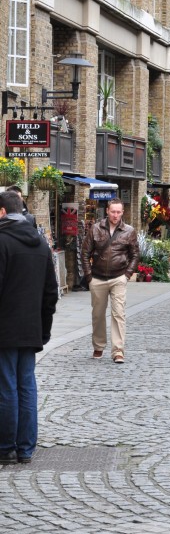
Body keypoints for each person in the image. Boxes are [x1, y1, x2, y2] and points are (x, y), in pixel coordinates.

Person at [0, 188, 58, 465]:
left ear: (2, 212)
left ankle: (6, 446)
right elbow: (51, 293)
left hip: (5, 329)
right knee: (27, 386)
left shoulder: (2, 242)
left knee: (6, 386)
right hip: (31, 328)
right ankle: (25, 449)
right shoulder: (41, 244)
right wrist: (44, 329)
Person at [80, 197, 139, 364]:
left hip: (118, 277)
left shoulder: (129, 231)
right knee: (98, 314)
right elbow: (85, 253)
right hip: (97, 277)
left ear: (122, 212)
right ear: (107, 211)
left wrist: (127, 274)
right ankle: (98, 346)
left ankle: (118, 350)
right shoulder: (96, 229)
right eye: (113, 211)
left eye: (118, 212)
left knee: (118, 313)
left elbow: (135, 255)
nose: (115, 215)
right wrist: (89, 276)